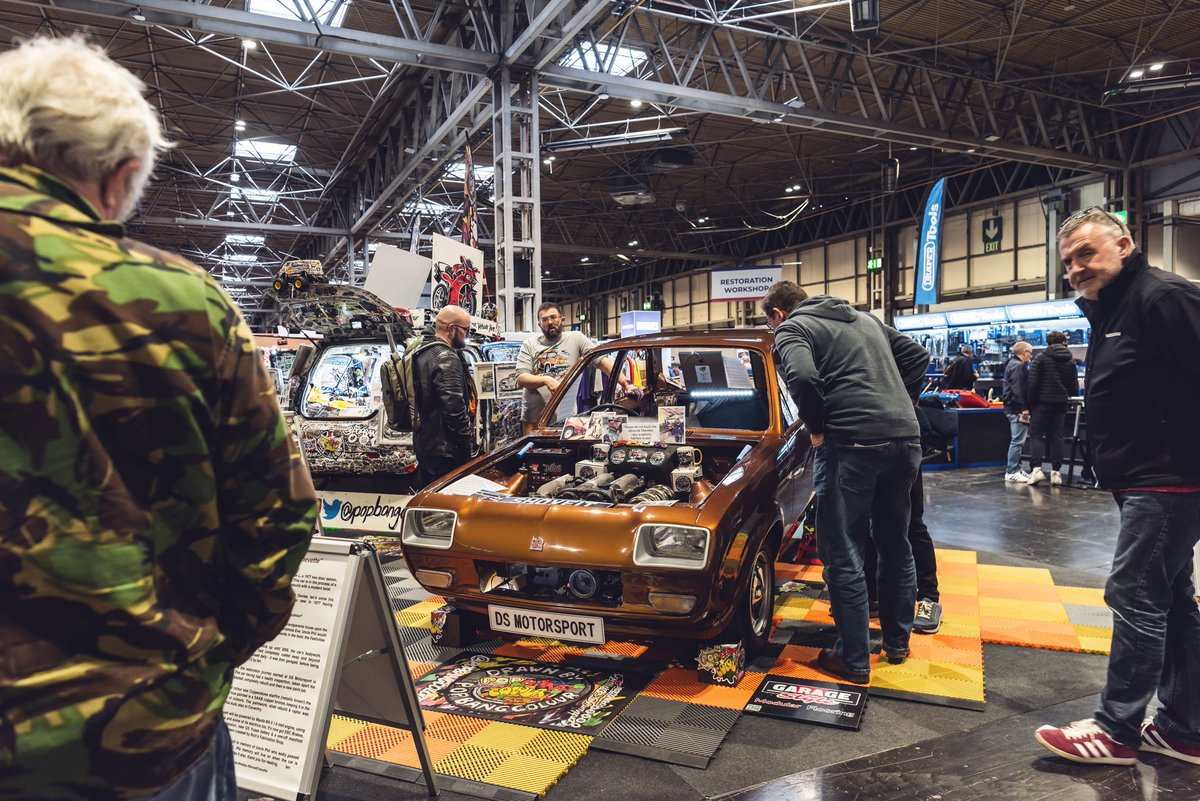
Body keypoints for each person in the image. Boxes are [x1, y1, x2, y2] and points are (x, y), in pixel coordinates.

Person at [0, 36, 318, 800]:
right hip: (139, 731)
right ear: (119, 176)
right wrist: (202, 653)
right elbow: (276, 517)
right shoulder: (183, 303)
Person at [1035, 207, 1200, 766]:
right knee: (1172, 600)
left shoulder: (1161, 296)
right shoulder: (1113, 310)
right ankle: (1185, 728)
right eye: (1068, 262)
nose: (1077, 267)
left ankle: (1116, 730)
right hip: (1145, 479)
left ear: (1124, 244)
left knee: (1134, 593)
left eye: (1086, 253)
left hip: (1170, 478)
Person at [764, 281, 930, 683]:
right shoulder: (865, 319)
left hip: (850, 443)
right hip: (905, 439)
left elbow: (802, 376)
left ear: (777, 314)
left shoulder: (792, 329)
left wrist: (818, 427)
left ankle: (854, 659)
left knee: (842, 551)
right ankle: (897, 644)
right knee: (895, 543)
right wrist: (897, 404)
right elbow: (918, 356)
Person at [516, 302, 627, 435]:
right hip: (534, 416)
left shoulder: (576, 338)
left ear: (562, 319)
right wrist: (546, 380)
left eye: (553, 317)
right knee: (532, 453)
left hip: (566, 414)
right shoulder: (529, 344)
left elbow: (601, 360)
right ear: (539, 324)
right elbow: (521, 378)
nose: (550, 322)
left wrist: (626, 383)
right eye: (545, 319)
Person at [864, 466, 943, 634]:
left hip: (903, 447)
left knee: (912, 523)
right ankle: (872, 596)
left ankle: (929, 599)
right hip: (867, 451)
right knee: (869, 523)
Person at [412, 304, 476, 488]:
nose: (468, 335)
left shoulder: (422, 351)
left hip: (425, 444)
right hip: (446, 450)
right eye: (466, 330)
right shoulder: (446, 358)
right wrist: (466, 444)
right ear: (451, 329)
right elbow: (454, 408)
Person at [1025, 331, 1080, 486]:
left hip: (1041, 403)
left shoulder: (1040, 358)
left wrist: (1030, 403)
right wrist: (1070, 399)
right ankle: (1056, 473)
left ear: (1047, 343)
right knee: (1057, 436)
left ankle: (1036, 470)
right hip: (1060, 403)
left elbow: (1033, 383)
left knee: (1036, 436)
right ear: (1064, 342)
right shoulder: (1070, 360)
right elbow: (1073, 384)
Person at [1001, 341, 1034, 483]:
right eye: (1030, 353)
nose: (1031, 356)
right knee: (1017, 441)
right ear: (1024, 352)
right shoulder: (1019, 366)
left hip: (1012, 407)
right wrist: (1024, 408)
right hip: (1016, 409)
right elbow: (1018, 389)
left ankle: (1017, 468)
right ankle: (1012, 470)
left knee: (1018, 440)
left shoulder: (1011, 364)